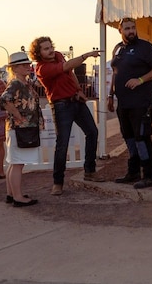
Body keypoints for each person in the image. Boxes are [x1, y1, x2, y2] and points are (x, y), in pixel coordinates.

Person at [30, 37, 104, 196]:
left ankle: (90, 171)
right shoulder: (42, 68)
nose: (50, 50)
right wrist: (86, 55)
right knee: (62, 143)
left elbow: (70, 73)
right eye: (45, 49)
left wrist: (78, 90)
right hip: (60, 105)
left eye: (50, 47)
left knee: (92, 132)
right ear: (38, 53)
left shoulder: (57, 55)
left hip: (76, 100)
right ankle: (58, 182)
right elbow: (67, 66)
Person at [107, 17, 152, 189]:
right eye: (127, 28)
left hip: (141, 101)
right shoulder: (118, 49)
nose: (131, 31)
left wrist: (140, 80)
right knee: (129, 137)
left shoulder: (146, 47)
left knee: (141, 137)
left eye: (133, 28)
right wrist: (111, 95)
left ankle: (149, 174)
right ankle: (133, 172)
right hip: (123, 102)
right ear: (120, 30)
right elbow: (115, 73)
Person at [0, 52, 42, 207]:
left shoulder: (24, 83)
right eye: (23, 65)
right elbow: (4, 100)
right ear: (15, 68)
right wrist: (19, 116)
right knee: (17, 163)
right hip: (20, 128)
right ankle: (17, 197)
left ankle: (12, 194)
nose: (27, 67)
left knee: (14, 162)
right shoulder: (16, 84)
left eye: (27, 64)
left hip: (20, 128)